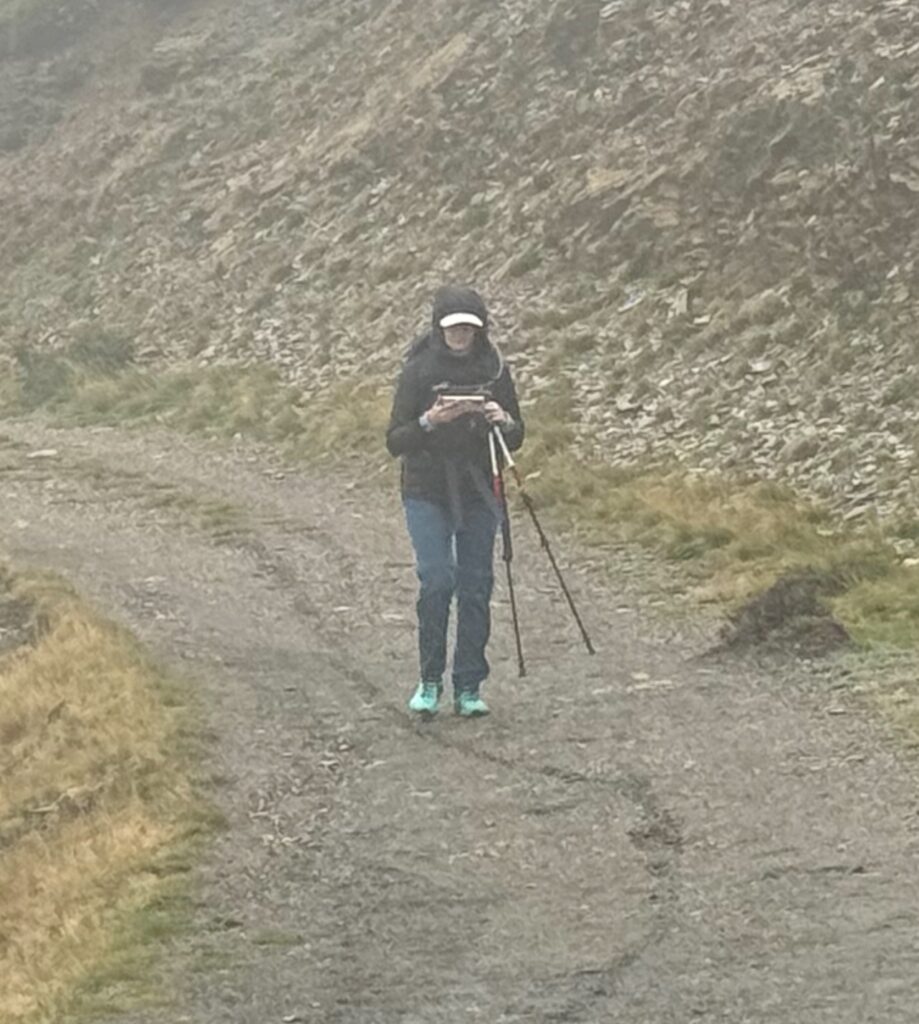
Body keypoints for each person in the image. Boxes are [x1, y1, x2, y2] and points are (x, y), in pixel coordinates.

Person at [386, 285, 525, 717]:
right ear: (439, 327)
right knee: (437, 580)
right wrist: (430, 421)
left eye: (468, 327)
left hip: (480, 489)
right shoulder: (418, 371)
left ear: (480, 328)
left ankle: (468, 686)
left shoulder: (495, 369)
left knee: (476, 585)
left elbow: (517, 435)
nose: (460, 334)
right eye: (453, 327)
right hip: (426, 490)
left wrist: (503, 420)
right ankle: (429, 680)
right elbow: (395, 440)